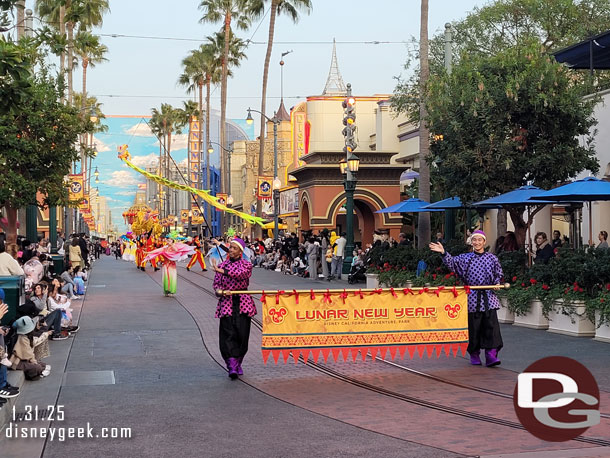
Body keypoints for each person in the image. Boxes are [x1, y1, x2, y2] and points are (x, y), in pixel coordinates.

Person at [429, 229, 503, 367]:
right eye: (474, 240)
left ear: (484, 242)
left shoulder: (492, 258)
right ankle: (474, 354)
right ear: (471, 242)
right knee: (473, 328)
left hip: (488, 298)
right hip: (472, 298)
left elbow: (498, 273)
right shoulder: (465, 258)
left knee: (491, 327)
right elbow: (452, 263)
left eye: (479, 240)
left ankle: (491, 355)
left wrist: (497, 283)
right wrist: (443, 252)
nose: (477, 242)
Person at [211, 237, 255, 379]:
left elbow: (241, 275)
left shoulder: (246, 265)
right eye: (230, 247)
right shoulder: (222, 264)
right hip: (227, 304)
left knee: (242, 334)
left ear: (240, 252)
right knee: (228, 334)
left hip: (243, 303)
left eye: (234, 248)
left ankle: (238, 362)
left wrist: (222, 271)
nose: (230, 250)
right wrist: (220, 291)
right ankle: (231, 364)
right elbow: (216, 283)